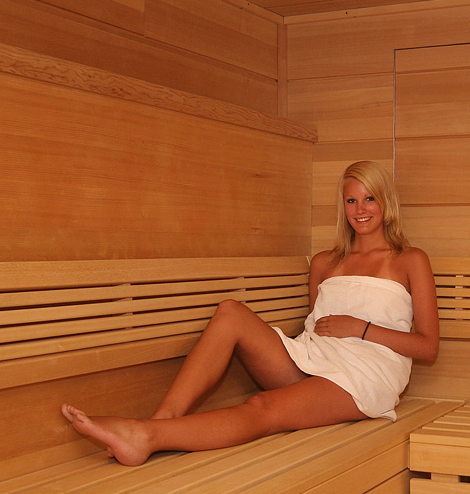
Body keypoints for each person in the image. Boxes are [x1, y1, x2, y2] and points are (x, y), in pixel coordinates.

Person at [60, 161, 439, 466]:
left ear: (385, 202)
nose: (360, 210)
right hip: (314, 357)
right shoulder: (325, 262)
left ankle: (144, 436)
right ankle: (160, 421)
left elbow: (427, 347)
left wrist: (360, 328)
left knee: (263, 406)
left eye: (369, 199)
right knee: (230, 312)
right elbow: (315, 326)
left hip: (364, 374)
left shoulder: (409, 260)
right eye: (351, 200)